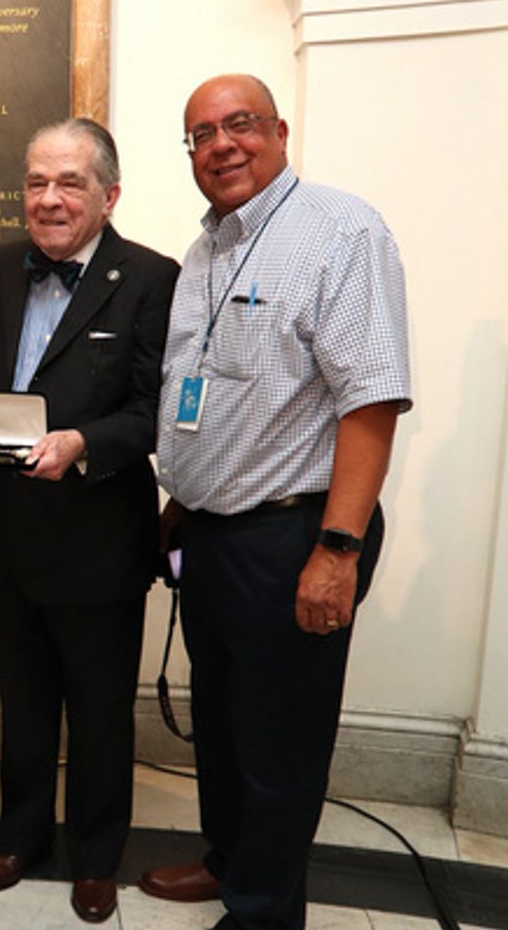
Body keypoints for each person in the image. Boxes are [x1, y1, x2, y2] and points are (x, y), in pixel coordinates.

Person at [141, 74, 411, 929]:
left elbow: (370, 399)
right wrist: (183, 499)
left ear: (281, 131)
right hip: (213, 533)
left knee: (280, 748)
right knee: (222, 729)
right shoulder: (206, 250)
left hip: (296, 533)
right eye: (202, 135)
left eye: (240, 124)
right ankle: (230, 861)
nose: (221, 144)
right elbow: (209, 388)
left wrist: (338, 548)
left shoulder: (341, 231)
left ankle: (262, 912)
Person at [0, 119, 179, 922]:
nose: (49, 200)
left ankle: (96, 855)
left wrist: (84, 441)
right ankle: (21, 835)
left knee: (97, 711)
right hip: (6, 536)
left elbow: (156, 410)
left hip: (98, 539)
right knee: (21, 700)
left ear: (109, 195)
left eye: (70, 184)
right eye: (36, 182)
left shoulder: (152, 277)